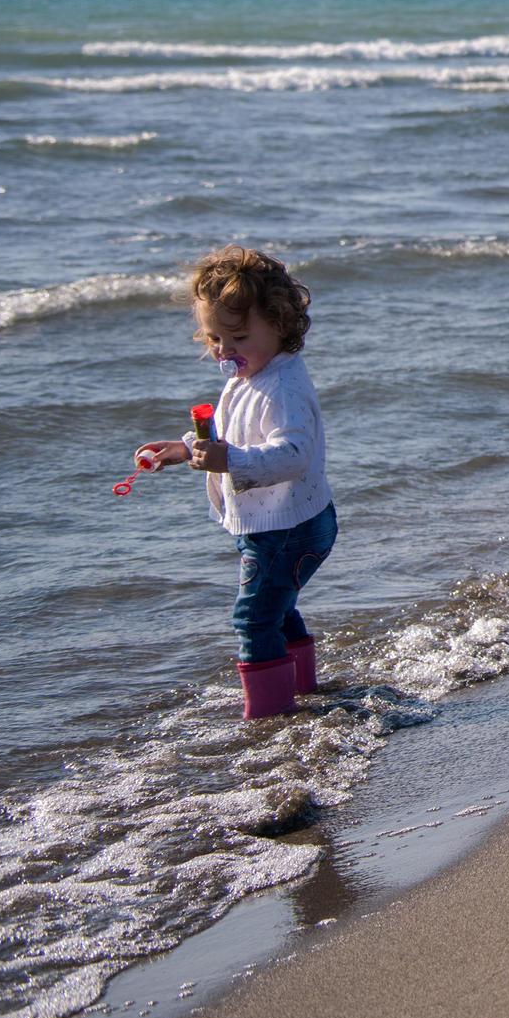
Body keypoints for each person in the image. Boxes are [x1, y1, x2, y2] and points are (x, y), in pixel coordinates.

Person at [133, 247, 337, 719]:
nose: (224, 350)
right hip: (280, 524)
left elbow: (293, 454)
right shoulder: (252, 374)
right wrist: (187, 448)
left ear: (281, 325)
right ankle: (301, 692)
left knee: (253, 617)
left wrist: (230, 459)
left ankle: (270, 719)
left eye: (237, 337)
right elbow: (235, 435)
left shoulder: (282, 386)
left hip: (287, 529)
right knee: (277, 607)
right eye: (213, 338)